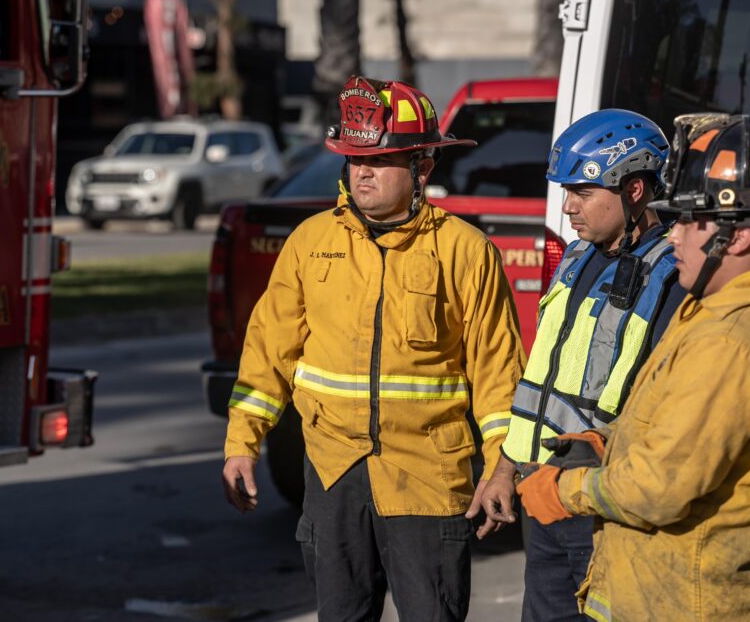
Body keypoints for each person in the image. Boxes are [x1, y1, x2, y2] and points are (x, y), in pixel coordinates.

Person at [221, 76, 525, 621]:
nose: (362, 171)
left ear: (422, 168)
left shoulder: (465, 252)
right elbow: (268, 353)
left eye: (380, 160)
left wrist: (501, 468)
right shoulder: (311, 243)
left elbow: (498, 375)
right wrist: (241, 444)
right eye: (355, 158)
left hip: (429, 481)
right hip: (334, 476)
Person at [515, 114, 750, 621]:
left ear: (739, 239)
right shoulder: (716, 308)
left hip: (692, 602)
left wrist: (562, 491)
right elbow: (671, 422)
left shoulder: (730, 344)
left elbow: (656, 489)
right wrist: (607, 441)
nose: (675, 236)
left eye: (689, 221)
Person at [470, 109, 687, 621]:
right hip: (543, 496)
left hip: (603, 509)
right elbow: (538, 383)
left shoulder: (673, 278)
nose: (568, 207)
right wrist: (504, 469)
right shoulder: (574, 258)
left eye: (583, 193)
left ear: (634, 190)